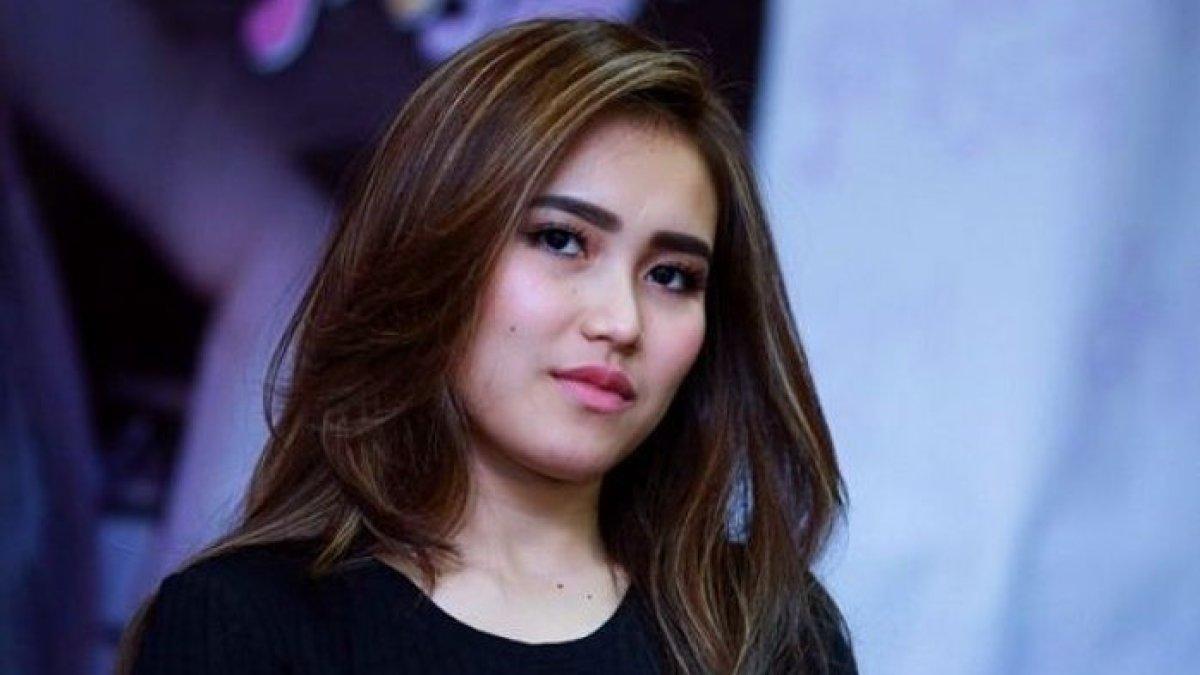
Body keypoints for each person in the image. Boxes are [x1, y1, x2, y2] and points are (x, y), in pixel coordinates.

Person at [119, 17, 856, 675]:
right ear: (436, 254)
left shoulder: (768, 632)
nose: (621, 320)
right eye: (561, 240)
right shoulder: (241, 624)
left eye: (672, 276)